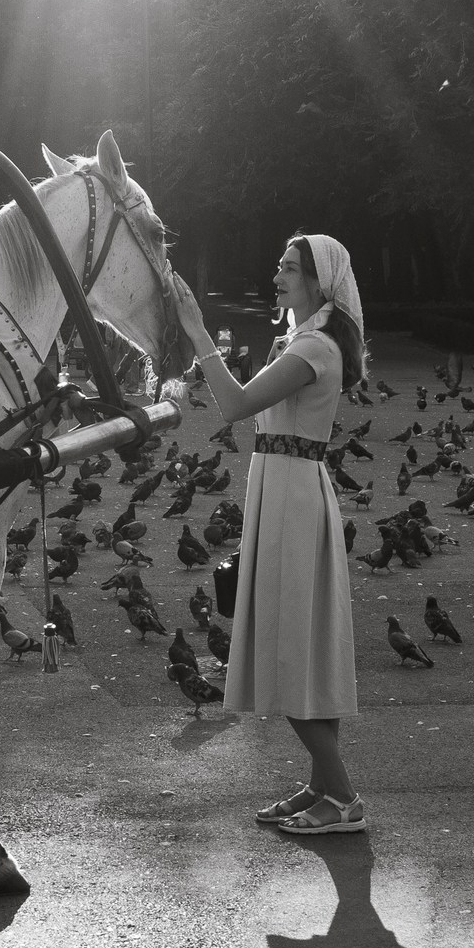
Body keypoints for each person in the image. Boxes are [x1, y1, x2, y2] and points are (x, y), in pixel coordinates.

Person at [165, 233, 366, 836]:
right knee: (295, 643)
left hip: (294, 498)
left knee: (287, 647)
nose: (277, 275)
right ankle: (324, 787)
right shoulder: (306, 341)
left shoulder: (316, 347)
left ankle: (346, 799)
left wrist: (199, 332)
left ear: (317, 281)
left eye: (290, 267)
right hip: (284, 489)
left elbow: (236, 406)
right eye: (277, 263)